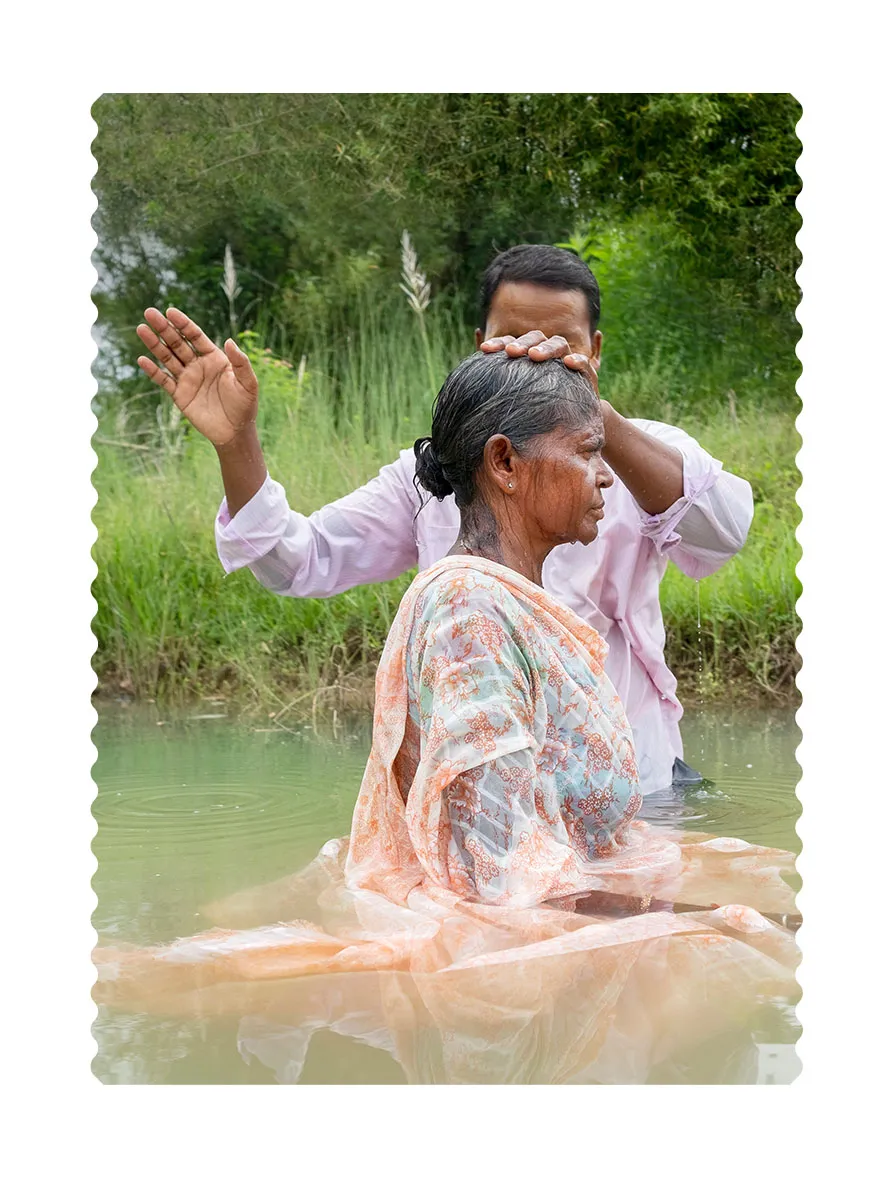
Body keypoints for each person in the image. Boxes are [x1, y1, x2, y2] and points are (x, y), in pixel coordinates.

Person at [96, 350, 796, 1084]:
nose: (606, 476)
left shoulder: (507, 601)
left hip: (569, 909)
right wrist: (690, 918)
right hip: (504, 1011)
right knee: (751, 949)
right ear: (505, 463)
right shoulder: (470, 613)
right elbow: (496, 879)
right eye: (588, 452)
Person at [135, 245, 752, 795]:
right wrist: (237, 443)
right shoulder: (436, 477)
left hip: (635, 784)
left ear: (594, 351)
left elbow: (724, 531)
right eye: (513, 340)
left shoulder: (624, 456)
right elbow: (297, 561)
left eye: (560, 349)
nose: (534, 360)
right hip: (494, 792)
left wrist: (595, 424)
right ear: (480, 343)